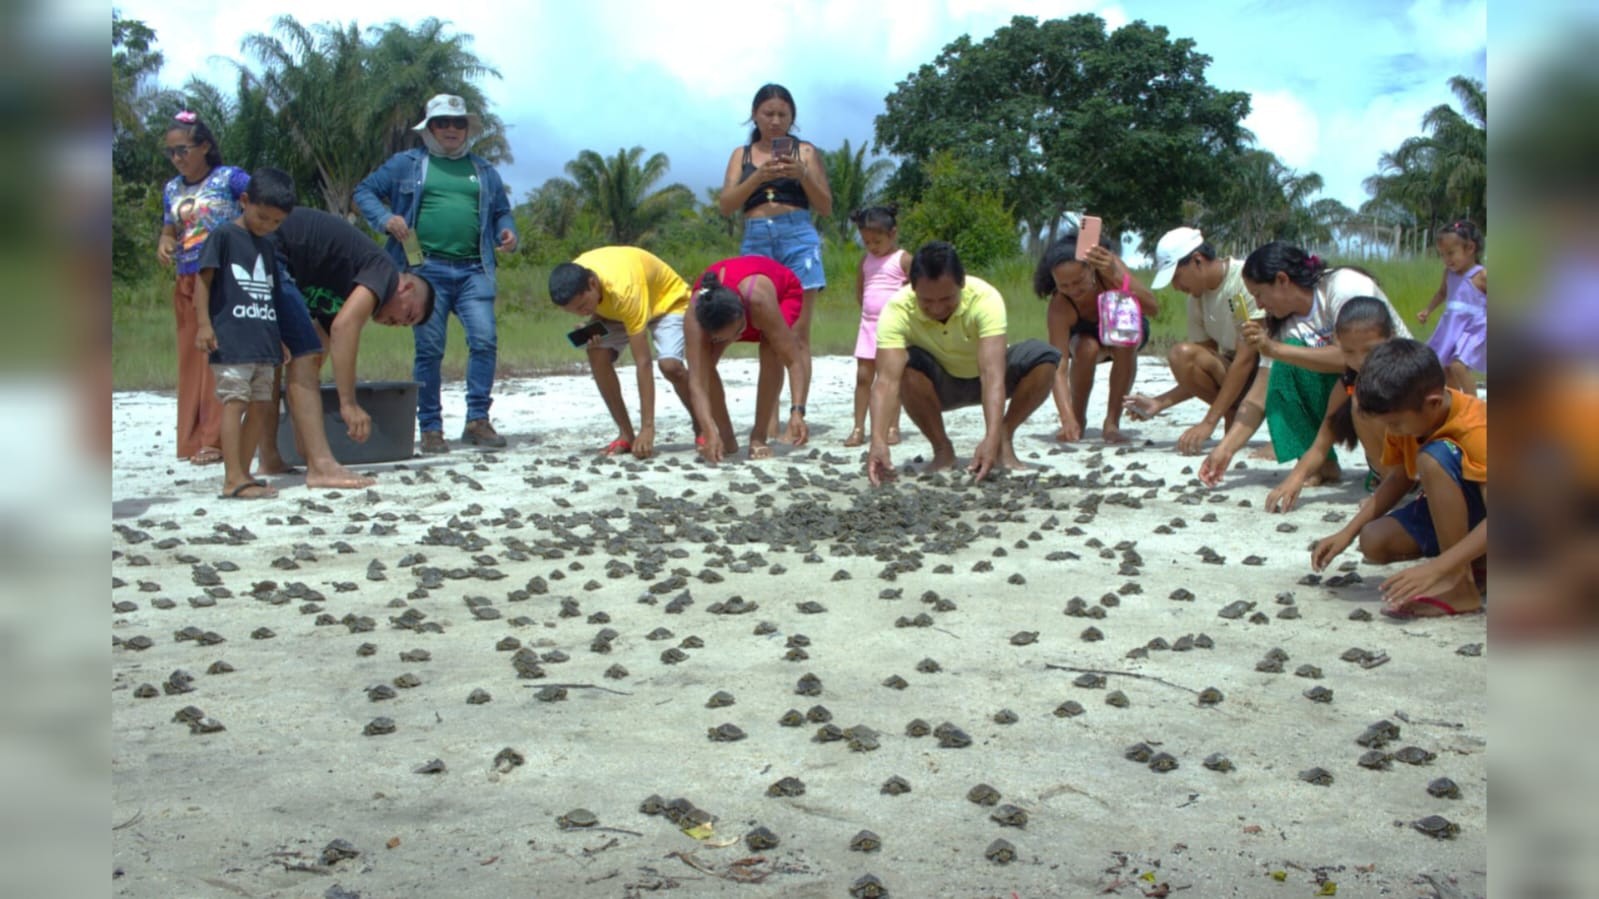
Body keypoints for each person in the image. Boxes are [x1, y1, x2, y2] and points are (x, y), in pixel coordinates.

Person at [355, 94, 518, 454]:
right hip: (424, 270)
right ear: (428, 128)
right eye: (442, 122)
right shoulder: (407, 164)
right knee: (429, 349)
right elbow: (364, 191)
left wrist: (508, 231)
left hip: (475, 268)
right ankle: (430, 427)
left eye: (458, 123)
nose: (450, 129)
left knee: (485, 339)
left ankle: (477, 419)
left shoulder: (484, 171)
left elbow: (501, 213)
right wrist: (384, 219)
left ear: (467, 129)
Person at [1197, 242, 1411, 488]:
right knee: (1283, 372)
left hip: (1394, 383)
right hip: (1347, 389)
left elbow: (1360, 359)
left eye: (1259, 294)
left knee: (1355, 389)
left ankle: (1394, 471)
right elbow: (1260, 394)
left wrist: (1277, 350)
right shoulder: (1284, 325)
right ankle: (1321, 464)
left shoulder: (1343, 286)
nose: (1260, 304)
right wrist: (1225, 450)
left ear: (1282, 280)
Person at [1310, 340, 1486, 618]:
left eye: (1394, 424)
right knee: (1374, 541)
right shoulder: (1408, 415)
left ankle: (1460, 587)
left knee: (1432, 457)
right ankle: (1477, 563)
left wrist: (1438, 567)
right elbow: (1399, 478)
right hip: (1473, 513)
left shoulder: (1478, 429)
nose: (1392, 431)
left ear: (1433, 403)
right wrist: (1347, 532)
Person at [867, 242, 1061, 484]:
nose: (937, 308)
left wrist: (990, 436)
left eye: (947, 298)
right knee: (905, 366)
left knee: (1044, 357)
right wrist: (878, 441)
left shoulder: (985, 298)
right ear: (911, 287)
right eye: (926, 301)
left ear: (962, 283)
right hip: (939, 385)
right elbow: (886, 381)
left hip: (989, 378)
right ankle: (941, 449)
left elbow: (992, 373)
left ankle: (1002, 437)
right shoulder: (897, 309)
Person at [270, 208, 436, 488]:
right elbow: (344, 329)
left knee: (284, 359)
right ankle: (322, 467)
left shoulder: (344, 288)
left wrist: (304, 430)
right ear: (405, 288)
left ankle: (270, 457)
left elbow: (311, 359)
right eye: (407, 315)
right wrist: (348, 404)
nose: (396, 323)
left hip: (272, 250)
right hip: (274, 243)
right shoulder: (384, 271)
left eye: (403, 326)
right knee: (299, 355)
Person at [718, 84, 832, 435]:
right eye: (768, 113)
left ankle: (797, 413)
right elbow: (726, 205)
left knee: (796, 334)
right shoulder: (743, 154)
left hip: (798, 235)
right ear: (755, 115)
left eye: (783, 114)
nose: (776, 121)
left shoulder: (807, 152)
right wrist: (758, 179)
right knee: (767, 329)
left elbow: (826, 206)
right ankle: (767, 418)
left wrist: (803, 175)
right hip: (757, 237)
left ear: (792, 118)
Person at [192, 168, 300, 499]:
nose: (267, 226)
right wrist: (204, 324)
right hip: (232, 339)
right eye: (262, 216)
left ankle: (244, 473)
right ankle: (232, 478)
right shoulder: (223, 236)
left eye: (276, 223)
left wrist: (277, 336)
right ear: (244, 201)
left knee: (260, 406)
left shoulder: (267, 248)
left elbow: (267, 294)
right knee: (235, 401)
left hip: (263, 340)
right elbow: (203, 281)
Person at [157, 111, 248, 465]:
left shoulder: (230, 178)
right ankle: (191, 439)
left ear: (205, 146)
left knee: (216, 357)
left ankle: (216, 438)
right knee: (190, 359)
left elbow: (264, 202)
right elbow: (169, 228)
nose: (177, 159)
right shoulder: (172, 189)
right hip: (186, 276)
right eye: (171, 153)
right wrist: (164, 242)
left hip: (221, 277)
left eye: (183, 150)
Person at [1125, 227, 1264, 454]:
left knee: (1199, 355)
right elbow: (1204, 370)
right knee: (1183, 355)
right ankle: (1231, 411)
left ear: (1197, 261)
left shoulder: (1242, 281)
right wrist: (1159, 403)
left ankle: (1235, 415)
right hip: (1237, 372)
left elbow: (1246, 360)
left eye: (1176, 277)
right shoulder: (1197, 298)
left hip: (1267, 371)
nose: (1176, 287)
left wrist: (1209, 422)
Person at [547, 247, 695, 458]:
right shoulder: (577, 273)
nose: (582, 312)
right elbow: (599, 306)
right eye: (574, 311)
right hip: (620, 312)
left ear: (592, 283)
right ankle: (626, 434)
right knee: (596, 352)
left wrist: (648, 428)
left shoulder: (624, 290)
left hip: (667, 303)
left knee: (670, 367)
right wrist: (591, 324)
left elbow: (643, 362)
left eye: (583, 305)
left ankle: (701, 424)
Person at [1263, 297, 1397, 513]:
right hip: (1389, 469)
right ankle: (1388, 483)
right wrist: (1294, 479)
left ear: (1391, 337)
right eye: (1349, 352)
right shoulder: (1349, 382)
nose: (1360, 361)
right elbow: (1320, 444)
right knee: (1358, 402)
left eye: (1370, 351)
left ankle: (1393, 490)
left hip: (1422, 463)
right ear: (1337, 343)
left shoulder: (1408, 371)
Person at [1031, 231, 1159, 444]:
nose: (1073, 290)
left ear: (1091, 268)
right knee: (1086, 348)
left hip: (1124, 328)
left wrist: (1115, 275)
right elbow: (1059, 366)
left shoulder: (1110, 269)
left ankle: (1112, 423)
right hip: (1085, 339)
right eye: (1064, 285)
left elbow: (1152, 307)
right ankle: (1078, 418)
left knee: (1123, 340)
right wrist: (1066, 417)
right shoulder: (1061, 306)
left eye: (1079, 281)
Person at [684, 257, 812, 463]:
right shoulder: (695, 314)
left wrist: (797, 411)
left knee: (772, 349)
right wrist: (709, 430)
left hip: (779, 294)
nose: (737, 340)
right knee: (704, 365)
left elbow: (793, 361)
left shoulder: (758, 300)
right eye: (727, 338)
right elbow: (697, 382)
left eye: (740, 331)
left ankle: (759, 436)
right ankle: (726, 437)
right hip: (728, 315)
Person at [845, 204, 910, 447]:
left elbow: (915, 291)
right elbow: (861, 292)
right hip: (868, 327)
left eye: (877, 241)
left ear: (892, 234)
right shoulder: (866, 260)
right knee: (863, 377)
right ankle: (859, 427)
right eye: (867, 242)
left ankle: (892, 426)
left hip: (893, 331)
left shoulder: (902, 259)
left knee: (891, 378)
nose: (872, 246)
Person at [1416, 220, 1487, 396]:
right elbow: (1442, 293)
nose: (1447, 260)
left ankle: (1473, 404)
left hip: (1474, 328)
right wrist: (1428, 310)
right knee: (1446, 368)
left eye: (1451, 253)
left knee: (1459, 365)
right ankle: (1457, 401)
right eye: (1442, 255)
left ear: (1470, 248)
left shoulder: (1481, 275)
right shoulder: (1449, 274)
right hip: (1452, 325)